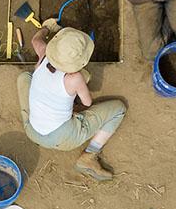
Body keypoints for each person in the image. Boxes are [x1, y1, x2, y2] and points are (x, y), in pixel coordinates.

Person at [16, 24, 126, 182]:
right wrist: (77, 92)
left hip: (32, 130)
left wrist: (47, 28)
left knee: (25, 78)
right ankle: (89, 156)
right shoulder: (75, 78)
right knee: (119, 109)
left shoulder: (44, 55)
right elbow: (87, 103)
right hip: (63, 138)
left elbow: (36, 39)